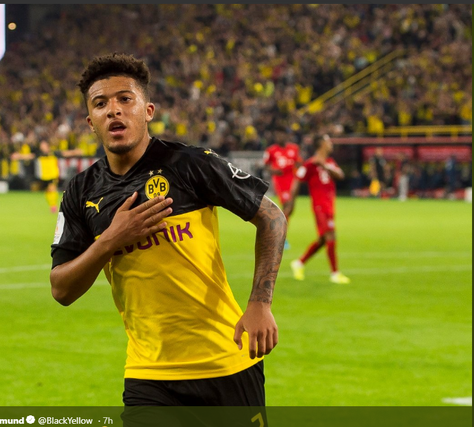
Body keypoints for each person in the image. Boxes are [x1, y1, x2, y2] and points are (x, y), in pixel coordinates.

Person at [50, 53, 287, 410]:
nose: (113, 110)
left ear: (147, 110)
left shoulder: (190, 164)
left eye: (124, 99)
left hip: (225, 363)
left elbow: (272, 218)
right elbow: (61, 289)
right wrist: (111, 240)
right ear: (90, 122)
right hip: (149, 375)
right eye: (101, 104)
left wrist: (259, 303)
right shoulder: (81, 192)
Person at [283, 134, 350, 284]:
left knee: (322, 239)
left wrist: (325, 165)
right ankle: (335, 273)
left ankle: (299, 263)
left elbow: (340, 175)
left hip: (329, 206)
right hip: (319, 206)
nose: (331, 144)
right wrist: (291, 203)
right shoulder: (310, 164)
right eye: (328, 141)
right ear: (321, 145)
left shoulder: (329, 162)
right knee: (331, 235)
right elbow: (297, 181)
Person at [11, 140, 82, 213]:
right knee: (47, 192)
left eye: (43, 145)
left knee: (52, 189)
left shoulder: (53, 153)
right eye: (41, 146)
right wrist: (19, 156)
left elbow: (65, 153)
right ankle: (52, 205)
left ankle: (54, 206)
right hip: (44, 176)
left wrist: (75, 152)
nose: (42, 147)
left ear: (47, 146)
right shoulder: (39, 154)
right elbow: (29, 156)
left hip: (52, 175)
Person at [263, 124, 302, 250]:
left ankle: (279, 231)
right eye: (277, 134)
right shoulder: (271, 150)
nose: (279, 136)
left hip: (292, 180)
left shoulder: (294, 148)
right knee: (287, 205)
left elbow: (299, 162)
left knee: (291, 209)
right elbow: (266, 166)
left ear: (287, 135)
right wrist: (273, 170)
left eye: (282, 134)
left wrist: (299, 168)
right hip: (280, 180)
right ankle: (280, 236)